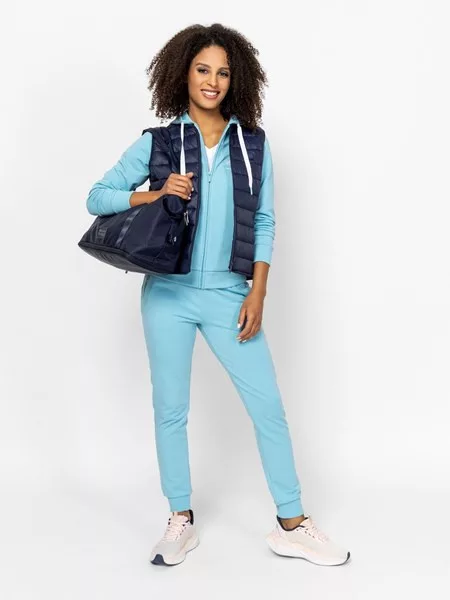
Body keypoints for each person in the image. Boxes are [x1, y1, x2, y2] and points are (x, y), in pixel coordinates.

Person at [85, 23, 350, 568]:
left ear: (236, 80)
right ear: (182, 74)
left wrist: (258, 292)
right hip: (169, 295)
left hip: (230, 294)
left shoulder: (252, 145)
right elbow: (97, 196)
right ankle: (179, 519)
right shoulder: (159, 143)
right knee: (170, 409)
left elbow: (266, 220)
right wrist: (154, 193)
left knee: (268, 407)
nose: (212, 81)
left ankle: (292, 523)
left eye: (223, 72)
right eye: (202, 69)